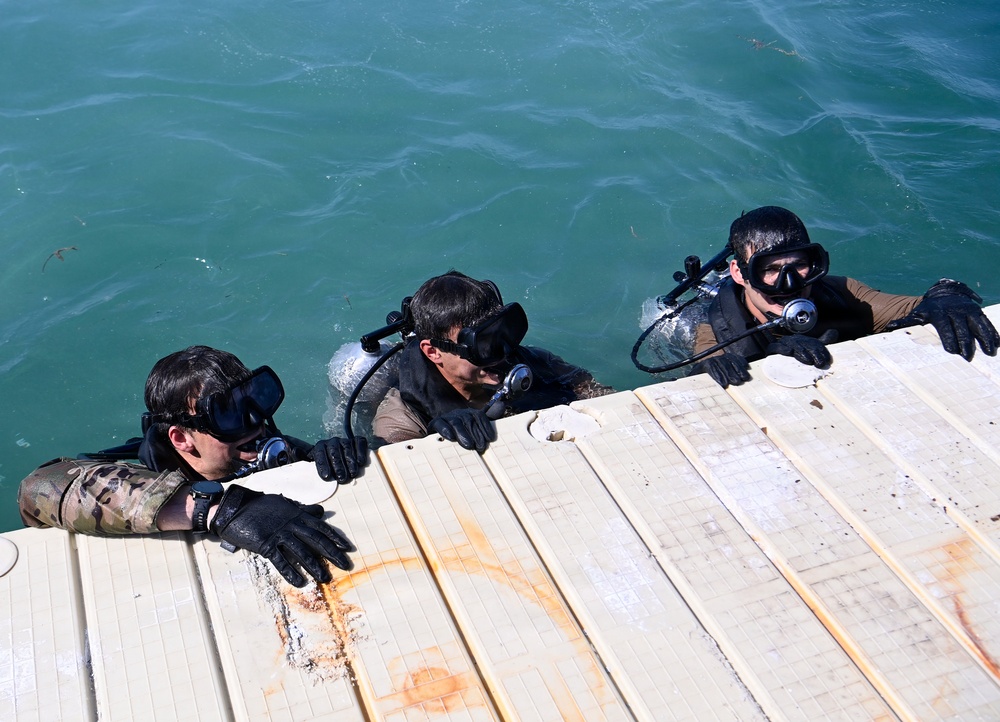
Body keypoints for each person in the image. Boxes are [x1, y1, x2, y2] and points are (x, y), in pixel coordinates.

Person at [17, 345, 370, 587]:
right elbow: (37, 486)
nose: (255, 423)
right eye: (227, 414)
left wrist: (325, 455)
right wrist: (213, 509)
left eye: (254, 400)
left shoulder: (268, 447)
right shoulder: (147, 477)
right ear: (182, 438)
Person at [691, 205, 999, 387]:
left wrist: (947, 296)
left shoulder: (842, 292)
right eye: (770, 270)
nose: (789, 284)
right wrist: (765, 358)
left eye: (799, 265)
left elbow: (918, 306)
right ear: (738, 273)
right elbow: (697, 380)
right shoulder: (717, 331)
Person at [372, 271, 614, 450]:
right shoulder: (402, 416)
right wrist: (439, 442)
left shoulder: (533, 361)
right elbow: (399, 474)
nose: (502, 354)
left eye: (501, 333)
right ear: (434, 352)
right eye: (482, 346)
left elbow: (604, 399)